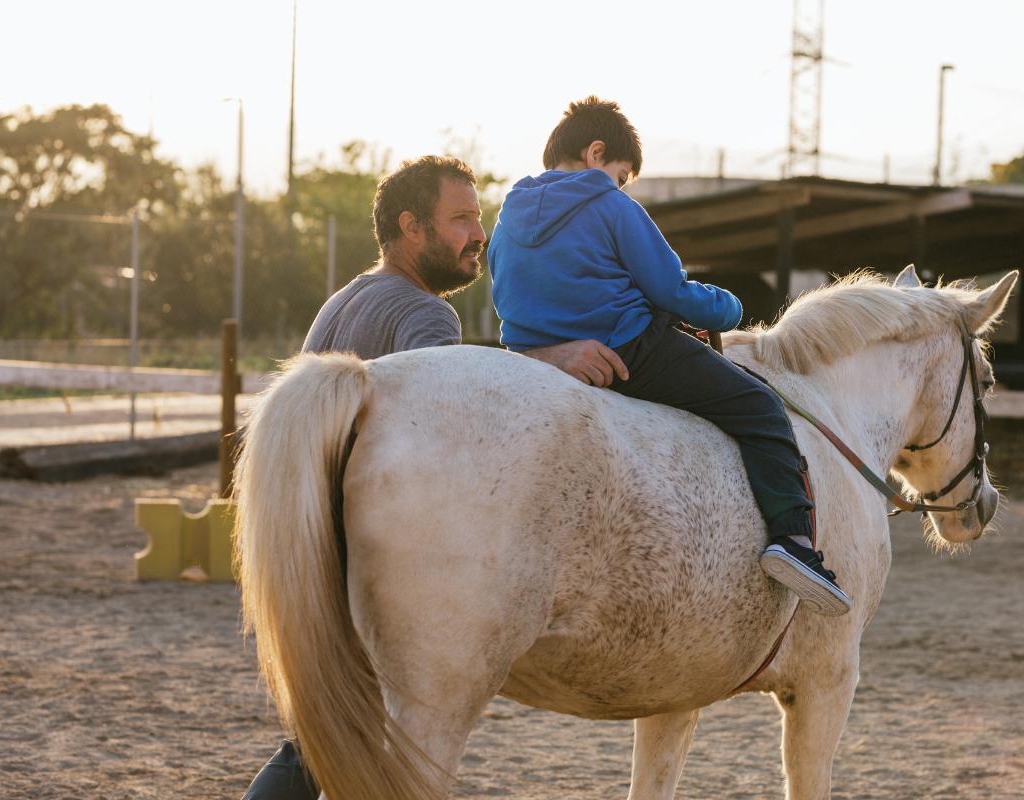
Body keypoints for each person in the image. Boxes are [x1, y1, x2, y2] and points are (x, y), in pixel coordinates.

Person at [242, 154, 627, 799]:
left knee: (316, 740)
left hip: (326, 544)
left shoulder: (346, 300)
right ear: (410, 227)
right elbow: (458, 414)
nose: (479, 234)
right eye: (461, 220)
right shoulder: (423, 314)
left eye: (478, 218)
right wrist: (550, 360)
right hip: (380, 550)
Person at [489, 96, 851, 616]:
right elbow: (671, 290)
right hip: (632, 350)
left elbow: (507, 304)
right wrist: (729, 306)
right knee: (761, 407)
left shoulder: (506, 221)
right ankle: (793, 542)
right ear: (596, 153)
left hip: (538, 360)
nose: (619, 186)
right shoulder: (611, 205)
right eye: (619, 174)